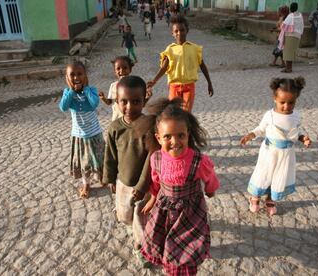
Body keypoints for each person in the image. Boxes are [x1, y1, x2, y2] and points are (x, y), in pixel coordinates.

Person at [137, 98, 220, 276]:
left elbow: (210, 177)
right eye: (168, 136)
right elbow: (155, 181)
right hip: (164, 211)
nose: (175, 141)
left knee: (185, 251)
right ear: (158, 138)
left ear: (188, 134)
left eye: (180, 135)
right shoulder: (156, 158)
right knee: (165, 242)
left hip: (190, 213)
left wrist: (210, 190)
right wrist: (152, 198)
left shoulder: (198, 160)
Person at [240, 77, 312, 216]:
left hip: (286, 155)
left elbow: (296, 133)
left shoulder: (296, 116)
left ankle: (270, 200)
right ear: (274, 98)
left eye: (291, 102)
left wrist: (304, 138)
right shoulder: (270, 115)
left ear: (296, 99)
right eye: (282, 102)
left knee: (279, 176)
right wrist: (250, 135)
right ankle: (255, 198)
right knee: (264, 175)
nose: (286, 106)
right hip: (269, 153)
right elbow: (260, 129)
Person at [103, 75, 151, 263]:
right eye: (124, 101)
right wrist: (109, 178)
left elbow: (151, 158)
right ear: (117, 101)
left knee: (142, 216)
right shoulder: (115, 127)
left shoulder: (149, 125)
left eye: (136, 101)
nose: (130, 107)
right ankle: (132, 225)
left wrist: (142, 185)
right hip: (123, 182)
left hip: (145, 185)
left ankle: (141, 245)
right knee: (124, 213)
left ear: (145, 100)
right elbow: (110, 155)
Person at [147, 15, 214, 112]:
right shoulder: (170, 49)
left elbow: (202, 66)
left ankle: (187, 127)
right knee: (173, 112)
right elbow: (164, 68)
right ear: (172, 34)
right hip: (174, 86)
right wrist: (154, 81)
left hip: (189, 86)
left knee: (186, 113)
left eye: (182, 30)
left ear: (187, 30)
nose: (179, 33)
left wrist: (209, 83)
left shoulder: (194, 48)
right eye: (176, 31)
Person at [59, 61, 105, 199]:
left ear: (85, 76)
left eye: (80, 74)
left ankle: (102, 178)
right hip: (79, 136)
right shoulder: (68, 93)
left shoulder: (92, 90)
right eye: (72, 75)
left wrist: (84, 89)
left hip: (94, 133)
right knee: (83, 162)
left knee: (99, 158)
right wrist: (72, 91)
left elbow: (94, 103)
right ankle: (86, 183)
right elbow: (63, 107)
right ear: (67, 78)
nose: (76, 77)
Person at [99, 56, 134, 121]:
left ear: (130, 69)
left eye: (125, 68)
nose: (121, 71)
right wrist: (103, 98)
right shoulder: (113, 86)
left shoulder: (134, 85)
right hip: (117, 119)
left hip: (131, 119)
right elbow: (109, 102)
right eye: (118, 68)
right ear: (115, 71)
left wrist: (147, 97)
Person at [278, 2, 304, 73]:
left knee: (288, 52)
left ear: (291, 8)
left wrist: (281, 20)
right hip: (297, 36)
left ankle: (288, 68)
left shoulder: (290, 16)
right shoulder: (300, 15)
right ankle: (289, 68)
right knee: (291, 52)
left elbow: (283, 26)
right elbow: (301, 25)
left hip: (290, 35)